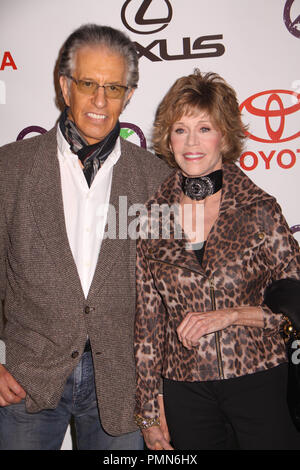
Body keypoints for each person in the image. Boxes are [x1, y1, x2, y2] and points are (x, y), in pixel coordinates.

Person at [0, 24, 171, 450]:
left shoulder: (157, 180)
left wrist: (161, 393)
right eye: (88, 84)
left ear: (129, 94)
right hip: (24, 377)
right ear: (64, 86)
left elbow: (170, 293)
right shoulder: (9, 168)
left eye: (113, 87)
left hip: (124, 387)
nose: (99, 100)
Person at [134, 69, 300, 450]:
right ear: (168, 138)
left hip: (259, 379)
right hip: (184, 392)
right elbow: (147, 323)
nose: (191, 142)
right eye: (180, 129)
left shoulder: (259, 209)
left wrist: (232, 314)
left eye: (205, 128)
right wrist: (148, 409)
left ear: (224, 136)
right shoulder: (150, 219)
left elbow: (295, 302)